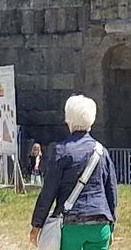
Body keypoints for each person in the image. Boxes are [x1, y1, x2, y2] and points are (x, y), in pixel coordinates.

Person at [29, 95, 118, 250]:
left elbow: (49, 191)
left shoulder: (61, 150)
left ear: (68, 119)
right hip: (100, 222)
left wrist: (37, 224)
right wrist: (112, 222)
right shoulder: (102, 151)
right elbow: (111, 190)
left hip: (71, 222)